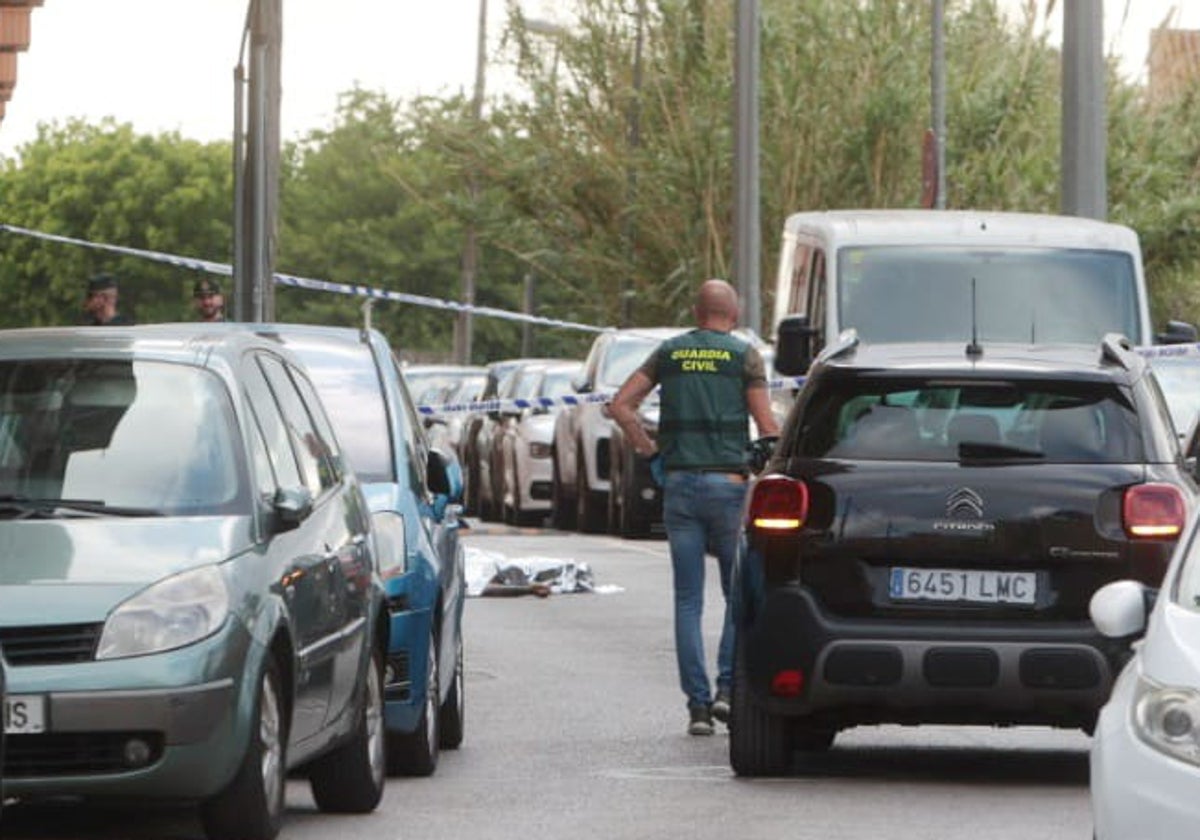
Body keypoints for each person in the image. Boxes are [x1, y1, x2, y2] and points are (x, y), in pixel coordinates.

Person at [610, 278, 780, 736]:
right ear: (735, 312)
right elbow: (765, 425)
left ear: (696, 312)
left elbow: (621, 405)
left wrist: (648, 449)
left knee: (687, 600)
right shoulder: (744, 355)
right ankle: (728, 689)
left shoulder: (669, 352)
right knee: (737, 594)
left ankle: (698, 709)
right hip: (728, 488)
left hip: (681, 487)